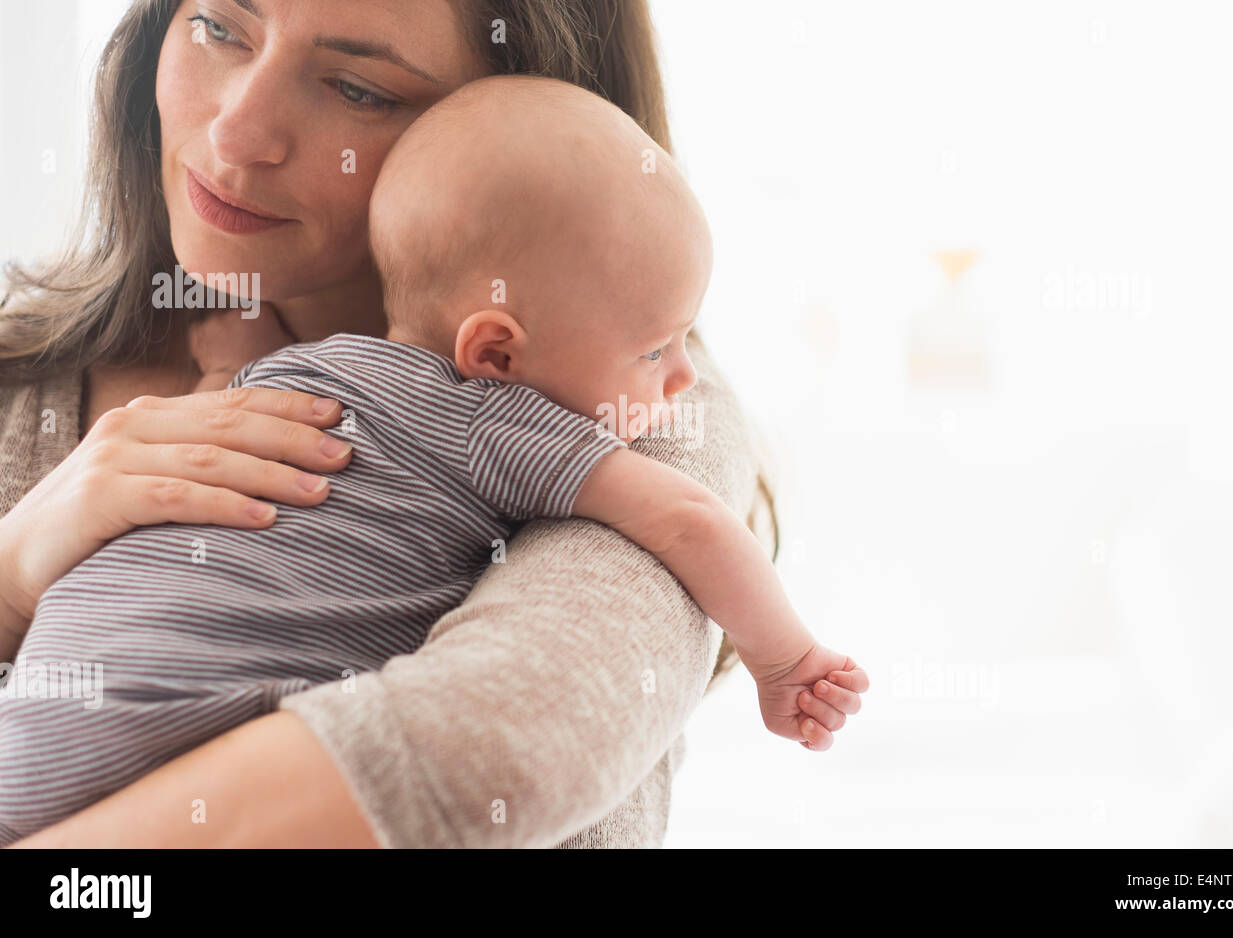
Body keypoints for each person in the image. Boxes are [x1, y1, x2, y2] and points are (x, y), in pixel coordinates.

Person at [0, 0, 851, 848]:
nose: (234, 135)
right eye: (219, 27)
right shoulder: (43, 355)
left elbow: (485, 747)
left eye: (359, 89)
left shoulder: (654, 420)